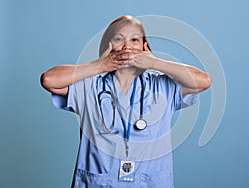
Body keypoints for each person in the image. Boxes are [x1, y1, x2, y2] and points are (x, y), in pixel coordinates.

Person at [41, 15, 211, 188]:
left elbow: (203, 81)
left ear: (145, 46)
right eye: (118, 39)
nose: (127, 46)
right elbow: (49, 80)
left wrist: (155, 62)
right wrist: (100, 66)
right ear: (108, 46)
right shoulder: (90, 87)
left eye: (135, 40)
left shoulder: (162, 87)